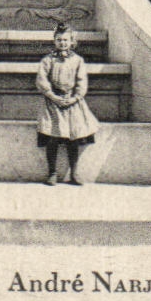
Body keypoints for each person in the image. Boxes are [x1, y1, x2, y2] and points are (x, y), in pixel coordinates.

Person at [36, 23, 99, 185]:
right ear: (54, 41)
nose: (62, 43)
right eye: (59, 40)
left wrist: (75, 97)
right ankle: (52, 172)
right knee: (52, 138)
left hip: (72, 103)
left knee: (73, 138)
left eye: (65, 40)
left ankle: (74, 173)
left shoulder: (78, 61)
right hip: (53, 103)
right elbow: (42, 81)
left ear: (72, 41)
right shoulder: (47, 60)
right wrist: (52, 96)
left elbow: (82, 82)